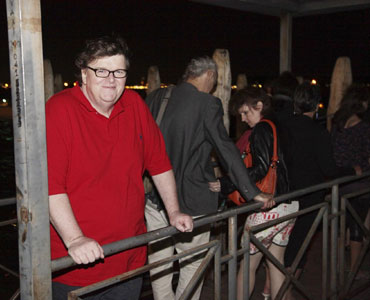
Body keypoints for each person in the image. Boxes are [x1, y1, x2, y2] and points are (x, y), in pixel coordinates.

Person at [45, 34, 193, 300]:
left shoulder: (134, 104)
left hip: (130, 256)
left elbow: (159, 163)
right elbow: (48, 187)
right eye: (101, 70)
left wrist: (174, 211)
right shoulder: (59, 110)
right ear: (84, 73)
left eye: (119, 71)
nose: (111, 79)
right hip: (76, 266)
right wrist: (75, 239)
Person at [145, 57, 274, 300]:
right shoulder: (207, 103)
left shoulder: (156, 98)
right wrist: (251, 191)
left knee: (159, 267)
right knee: (192, 266)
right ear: (210, 77)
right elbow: (225, 149)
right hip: (192, 200)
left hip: (155, 198)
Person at [281, 82, 358, 299]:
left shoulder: (283, 125)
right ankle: (286, 292)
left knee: (284, 243)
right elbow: (330, 169)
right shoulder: (318, 132)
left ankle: (279, 291)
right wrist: (352, 170)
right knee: (300, 244)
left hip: (285, 192)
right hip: (309, 194)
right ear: (316, 105)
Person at [220, 87, 297, 300]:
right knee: (276, 264)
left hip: (269, 207)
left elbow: (260, 168)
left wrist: (226, 184)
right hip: (289, 203)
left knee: (247, 265)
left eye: (245, 112)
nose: (243, 119)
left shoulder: (262, 129)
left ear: (259, 106)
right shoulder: (283, 126)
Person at [331, 84, 370, 280]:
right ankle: (354, 269)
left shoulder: (338, 124)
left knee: (341, 226)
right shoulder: (363, 128)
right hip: (360, 183)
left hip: (340, 181)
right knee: (357, 226)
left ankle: (338, 266)